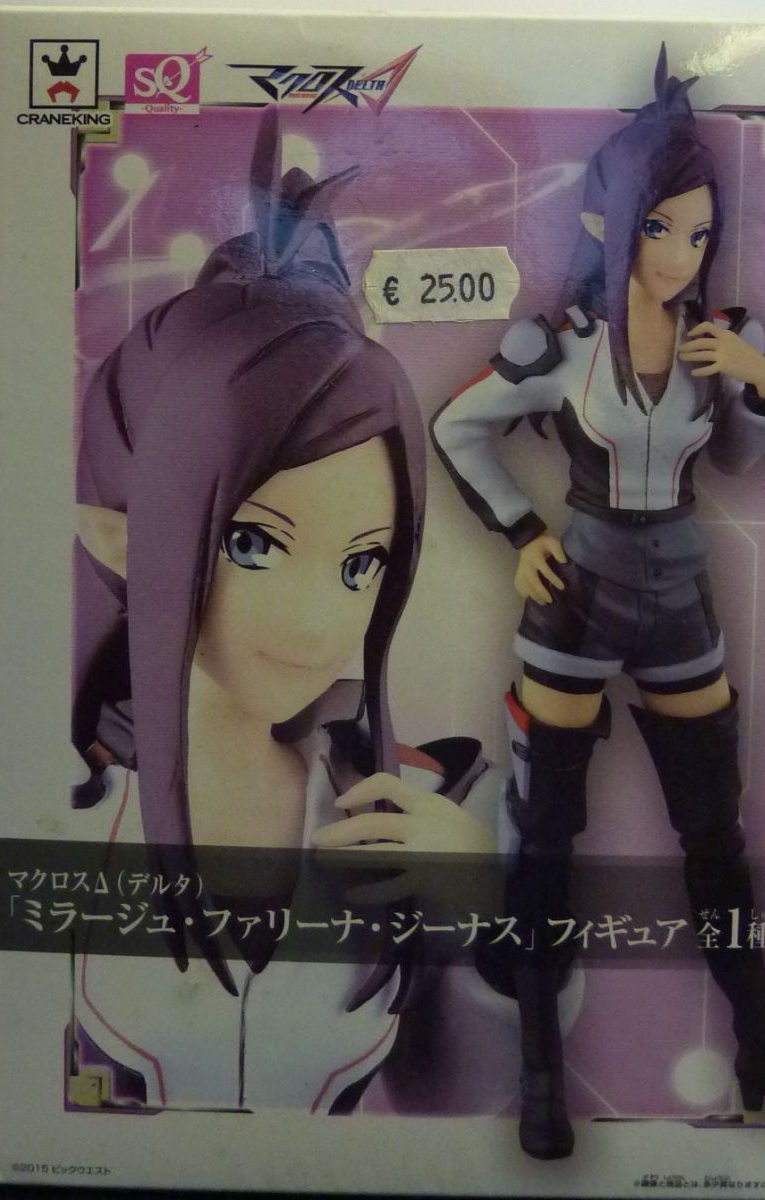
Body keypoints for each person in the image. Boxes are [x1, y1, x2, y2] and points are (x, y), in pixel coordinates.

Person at [431, 45, 765, 1159]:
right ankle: (540, 1072)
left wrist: (762, 384)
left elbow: (742, 464)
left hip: (678, 593)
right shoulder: (561, 344)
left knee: (714, 829)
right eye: (659, 228)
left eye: (699, 234)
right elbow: (457, 427)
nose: (679, 254)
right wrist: (519, 532)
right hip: (577, 592)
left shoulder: (728, 340)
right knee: (545, 840)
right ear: (605, 223)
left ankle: (760, 1041)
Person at [68, 110, 495, 1115]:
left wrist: (488, 921)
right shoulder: (70, 803)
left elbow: (465, 1107)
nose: (317, 625)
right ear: (117, 535)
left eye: (362, 563)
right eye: (252, 543)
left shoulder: (400, 802)